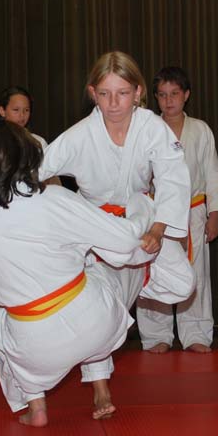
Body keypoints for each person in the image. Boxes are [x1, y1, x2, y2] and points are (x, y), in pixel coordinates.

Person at [0, 113, 159, 425]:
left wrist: (0, 285)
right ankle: (98, 382)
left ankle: (35, 405)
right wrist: (143, 207)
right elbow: (125, 240)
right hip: (97, 323)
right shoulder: (52, 199)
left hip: (35, 351)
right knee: (108, 265)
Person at [38, 51, 194, 414]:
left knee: (183, 284)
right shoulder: (79, 135)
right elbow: (36, 169)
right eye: (105, 94)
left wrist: (159, 228)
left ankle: (135, 277)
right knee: (101, 310)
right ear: (93, 93)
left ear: (138, 92)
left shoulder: (151, 127)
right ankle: (101, 390)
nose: (113, 103)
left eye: (122, 93)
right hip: (96, 229)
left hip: (142, 222)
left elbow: (172, 176)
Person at [136, 66, 218, 353]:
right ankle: (156, 335)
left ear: (186, 95)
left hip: (194, 210)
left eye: (174, 94)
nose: (169, 100)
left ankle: (196, 332)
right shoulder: (147, 129)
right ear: (155, 97)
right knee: (155, 271)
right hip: (157, 214)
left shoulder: (200, 130)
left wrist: (214, 214)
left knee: (196, 272)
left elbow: (212, 173)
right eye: (162, 95)